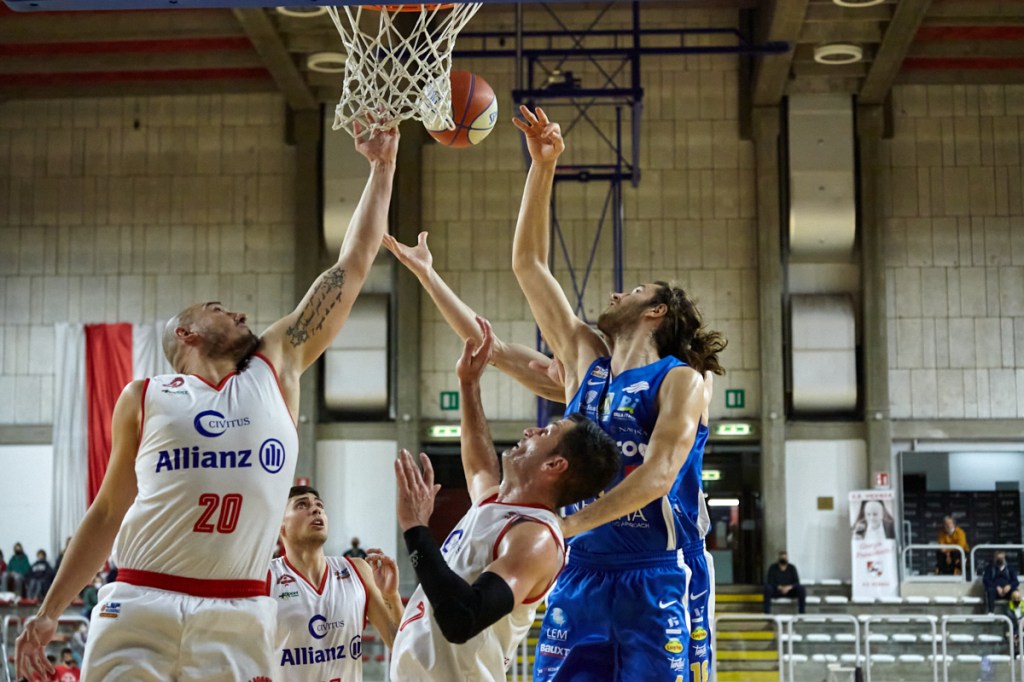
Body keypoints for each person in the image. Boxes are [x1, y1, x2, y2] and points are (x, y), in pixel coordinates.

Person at [15, 125, 399, 681]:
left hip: (238, 613)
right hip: (140, 600)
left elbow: (352, 267)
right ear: (186, 333)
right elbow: (106, 511)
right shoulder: (143, 397)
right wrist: (50, 611)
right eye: (220, 310)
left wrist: (382, 168)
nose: (240, 314)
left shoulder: (275, 369)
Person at [510, 105, 724, 681]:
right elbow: (528, 265)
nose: (614, 294)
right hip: (580, 570)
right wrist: (543, 166)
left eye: (633, 290)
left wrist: (567, 525)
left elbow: (657, 477)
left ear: (656, 312)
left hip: (658, 572)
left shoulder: (681, 380)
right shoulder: (587, 361)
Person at [390, 318, 620, 681]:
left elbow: (462, 618)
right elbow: (479, 465)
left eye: (544, 432)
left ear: (554, 464)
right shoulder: (496, 503)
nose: (529, 430)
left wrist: (416, 530)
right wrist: (469, 385)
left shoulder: (536, 538)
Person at [382, 231, 564, 403]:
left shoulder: (569, 385)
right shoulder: (562, 378)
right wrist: (427, 275)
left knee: (525, 265)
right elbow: (491, 348)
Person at [271, 485, 403, 681]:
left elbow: (400, 644)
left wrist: (391, 595)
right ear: (279, 524)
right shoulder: (265, 577)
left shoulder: (358, 570)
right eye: (302, 505)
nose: (316, 509)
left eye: (319, 505)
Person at [1001, 589, 1024, 655]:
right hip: (1012, 629)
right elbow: (1006, 622)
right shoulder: (1007, 607)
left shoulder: (1023, 605)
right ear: (1012, 599)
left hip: (1022, 628)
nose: (1017, 600)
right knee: (1012, 636)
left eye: (1018, 598)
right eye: (1015, 598)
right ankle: (1015, 654)